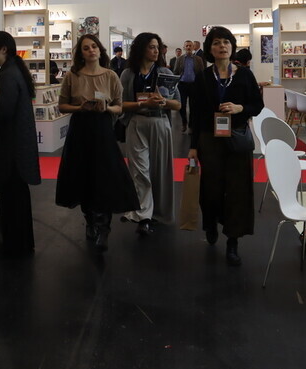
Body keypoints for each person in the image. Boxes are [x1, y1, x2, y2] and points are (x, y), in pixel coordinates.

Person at [187, 26, 264, 267]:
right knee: (210, 189)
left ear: (232, 47)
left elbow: (257, 105)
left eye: (227, 42)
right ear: (210, 49)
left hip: (237, 139)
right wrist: (192, 146)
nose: (223, 46)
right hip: (209, 140)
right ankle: (210, 223)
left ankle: (233, 241)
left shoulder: (244, 75)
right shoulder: (202, 78)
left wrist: (241, 108)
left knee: (238, 190)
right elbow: (196, 115)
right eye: (217, 43)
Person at [55, 34, 139, 251]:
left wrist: (106, 108)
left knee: (105, 175)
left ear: (100, 50)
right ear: (80, 53)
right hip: (80, 130)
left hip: (102, 130)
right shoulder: (72, 76)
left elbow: (119, 107)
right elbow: (62, 105)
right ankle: (90, 220)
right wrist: (80, 108)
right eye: (86, 48)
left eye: (94, 46)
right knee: (83, 174)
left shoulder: (111, 76)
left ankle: (104, 226)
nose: (91, 50)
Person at [0, 31, 41, 257]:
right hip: (18, 147)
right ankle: (23, 243)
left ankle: (15, 245)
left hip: (10, 150)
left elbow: (5, 110)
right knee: (18, 199)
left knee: (11, 199)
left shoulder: (7, 75)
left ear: (3, 49)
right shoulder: (15, 71)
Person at [118, 32, 181, 235]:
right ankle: (143, 214)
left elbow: (177, 104)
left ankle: (158, 212)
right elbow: (120, 105)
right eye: (152, 47)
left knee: (160, 171)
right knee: (140, 171)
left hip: (160, 123)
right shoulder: (128, 74)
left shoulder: (165, 72)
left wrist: (163, 102)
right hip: (136, 123)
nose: (156, 51)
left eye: (158, 47)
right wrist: (142, 103)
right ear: (141, 48)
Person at [174, 40, 205, 133]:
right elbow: (175, 71)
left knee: (193, 106)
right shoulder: (179, 59)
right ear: (184, 47)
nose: (188, 47)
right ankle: (184, 122)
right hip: (182, 85)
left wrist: (201, 85)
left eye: (190, 46)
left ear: (193, 47)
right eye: (186, 46)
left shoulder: (198, 59)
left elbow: (201, 73)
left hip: (194, 85)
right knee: (182, 105)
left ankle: (191, 124)